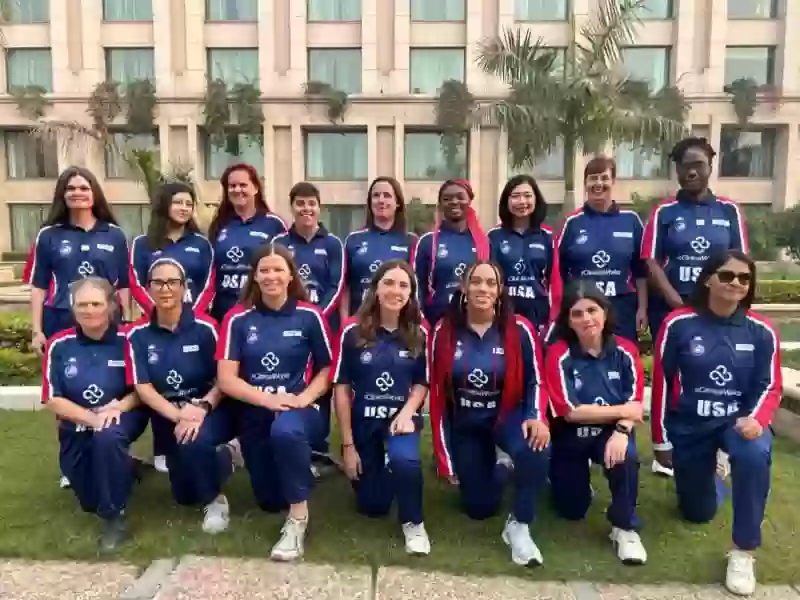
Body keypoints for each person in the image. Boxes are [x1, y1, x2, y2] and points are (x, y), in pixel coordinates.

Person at [651, 249, 781, 596]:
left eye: (744, 278)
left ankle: (743, 551)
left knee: (753, 454)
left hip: (737, 423)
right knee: (697, 512)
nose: (736, 283)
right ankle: (713, 472)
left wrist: (757, 419)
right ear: (708, 279)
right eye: (727, 275)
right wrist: (661, 440)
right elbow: (662, 383)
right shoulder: (678, 324)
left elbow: (770, 385)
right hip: (691, 426)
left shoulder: (761, 330)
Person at [217, 243, 333, 561]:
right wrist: (268, 400)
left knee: (287, 431)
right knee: (269, 501)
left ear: (291, 275)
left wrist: (302, 398)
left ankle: (297, 520)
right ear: (254, 276)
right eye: (264, 270)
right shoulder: (238, 319)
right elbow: (226, 379)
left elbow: (328, 369)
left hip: (299, 408)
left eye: (278, 269)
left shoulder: (310, 315)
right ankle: (294, 466)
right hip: (256, 410)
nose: (271, 276)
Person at [430, 260, 550, 566]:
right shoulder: (444, 330)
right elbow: (438, 398)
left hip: (507, 418)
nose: (483, 288)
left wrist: (536, 415)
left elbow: (536, 379)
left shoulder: (519, 328)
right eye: (476, 281)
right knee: (479, 508)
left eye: (491, 283)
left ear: (500, 291)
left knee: (536, 448)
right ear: (464, 287)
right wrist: (444, 457)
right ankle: (503, 465)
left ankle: (519, 524)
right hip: (467, 424)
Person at [125, 259, 238, 534]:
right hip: (169, 415)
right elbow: (143, 387)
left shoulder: (207, 328)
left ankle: (215, 501)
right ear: (148, 288)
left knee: (192, 439)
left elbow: (225, 379)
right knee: (184, 496)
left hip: (210, 409)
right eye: (158, 283)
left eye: (172, 282)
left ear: (184, 287)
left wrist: (202, 407)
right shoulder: (137, 335)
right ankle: (225, 457)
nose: (165, 289)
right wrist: (179, 415)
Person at [332, 260, 431, 555]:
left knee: (405, 461)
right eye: (388, 283)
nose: (395, 291)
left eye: (403, 285)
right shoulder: (352, 331)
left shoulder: (419, 333)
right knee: (372, 506)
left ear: (411, 293)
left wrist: (407, 412)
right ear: (375, 288)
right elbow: (341, 388)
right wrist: (348, 446)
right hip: (364, 423)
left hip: (400, 422)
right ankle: (383, 466)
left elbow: (421, 383)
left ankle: (414, 523)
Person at [41, 277, 147, 551]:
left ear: (111, 306)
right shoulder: (59, 344)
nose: (89, 310)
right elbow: (52, 398)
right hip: (77, 422)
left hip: (122, 415)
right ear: (73, 308)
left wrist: (118, 407)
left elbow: (144, 389)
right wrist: (91, 419)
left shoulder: (130, 339)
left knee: (107, 437)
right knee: (89, 500)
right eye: (82, 304)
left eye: (96, 304)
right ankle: (127, 466)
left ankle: (114, 518)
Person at [545, 282, 647, 565]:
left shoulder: (625, 350)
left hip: (611, 434)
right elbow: (569, 412)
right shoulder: (558, 353)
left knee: (626, 457)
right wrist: (621, 410)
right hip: (570, 437)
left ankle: (624, 527)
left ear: (605, 312)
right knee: (572, 511)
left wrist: (622, 430)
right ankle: (563, 478)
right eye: (577, 314)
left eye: (592, 310)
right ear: (568, 320)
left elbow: (636, 402)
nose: (586, 319)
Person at [641, 136, 749, 342]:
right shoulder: (663, 211)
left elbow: (742, 263)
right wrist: (674, 300)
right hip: (670, 308)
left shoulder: (729, 210)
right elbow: (651, 261)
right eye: (685, 166)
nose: (691, 172)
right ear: (677, 171)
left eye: (698, 165)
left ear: (710, 168)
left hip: (717, 308)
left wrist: (729, 302)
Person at [273, 181, 344, 469]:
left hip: (323, 325)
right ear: (292, 207)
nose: (306, 208)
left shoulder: (333, 243)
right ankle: (287, 436)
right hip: (288, 324)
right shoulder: (279, 243)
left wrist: (315, 317)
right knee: (293, 376)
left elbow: (336, 286)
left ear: (319, 207)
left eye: (311, 203)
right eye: (300, 203)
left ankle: (319, 446)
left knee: (322, 381)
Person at [30, 166, 131, 353]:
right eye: (71, 188)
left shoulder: (114, 234)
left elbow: (124, 284)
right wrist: (37, 331)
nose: (77, 193)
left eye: (84, 188)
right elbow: (39, 286)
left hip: (106, 319)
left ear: (94, 194)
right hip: (61, 318)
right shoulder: (48, 235)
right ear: (63, 194)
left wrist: (126, 321)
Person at [552, 157, 647, 343]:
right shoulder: (572, 222)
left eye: (604, 178)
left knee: (622, 355)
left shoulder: (631, 220)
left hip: (622, 308)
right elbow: (557, 271)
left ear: (613, 181)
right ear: (585, 183)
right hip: (583, 311)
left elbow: (641, 272)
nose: (598, 183)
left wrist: (642, 308)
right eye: (593, 178)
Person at [207, 163, 287, 324]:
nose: (237, 190)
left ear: (256, 188)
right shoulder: (219, 225)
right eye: (232, 186)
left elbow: (286, 267)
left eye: (243, 185)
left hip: (260, 311)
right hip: (223, 312)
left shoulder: (274, 224)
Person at [129, 182, 215, 316]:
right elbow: (136, 285)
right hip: (155, 320)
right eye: (178, 203)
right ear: (164, 205)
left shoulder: (202, 244)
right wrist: (158, 316)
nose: (184, 208)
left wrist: (193, 317)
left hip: (194, 319)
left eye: (189, 204)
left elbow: (209, 285)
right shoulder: (142, 243)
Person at [413, 179, 490, 326]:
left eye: (460, 197)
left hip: (474, 323)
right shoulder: (428, 242)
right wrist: (423, 323)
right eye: (447, 199)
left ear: (469, 200)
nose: (454, 202)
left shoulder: (484, 242)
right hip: (437, 322)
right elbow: (418, 288)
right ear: (440, 204)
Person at [489, 174, 556, 332]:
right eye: (515, 196)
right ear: (506, 201)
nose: (522, 201)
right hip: (503, 317)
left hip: (538, 317)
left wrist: (552, 320)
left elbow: (555, 282)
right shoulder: (493, 237)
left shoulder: (547, 237)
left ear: (536, 200)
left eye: (527, 196)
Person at [342, 177, 417, 317]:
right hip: (360, 321)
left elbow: (414, 290)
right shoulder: (353, 240)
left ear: (398, 203)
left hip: (397, 322)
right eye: (376, 195)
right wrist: (345, 322)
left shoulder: (411, 241)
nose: (381, 200)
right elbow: (345, 289)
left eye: (387, 195)